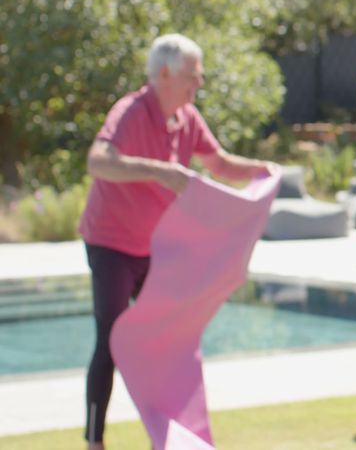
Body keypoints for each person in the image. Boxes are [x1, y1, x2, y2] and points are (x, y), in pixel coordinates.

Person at [79, 33, 273, 450]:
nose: (198, 84)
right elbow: (98, 161)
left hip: (153, 248)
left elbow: (219, 162)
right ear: (164, 74)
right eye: (193, 76)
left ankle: (169, 437)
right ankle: (95, 442)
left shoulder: (188, 117)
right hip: (110, 243)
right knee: (112, 339)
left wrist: (263, 171)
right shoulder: (131, 111)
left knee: (172, 341)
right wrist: (158, 171)